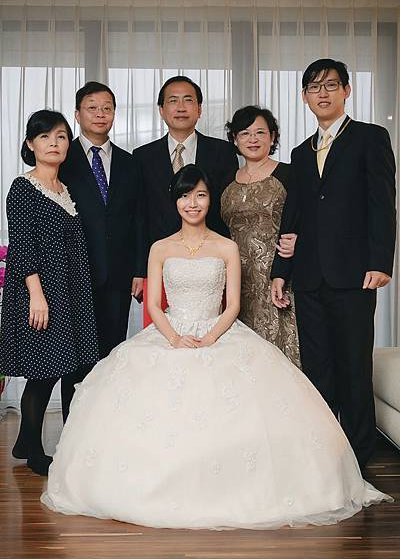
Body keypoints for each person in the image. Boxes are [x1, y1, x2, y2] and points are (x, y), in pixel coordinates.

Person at [42, 165, 391, 528]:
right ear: (175, 201)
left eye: (200, 195)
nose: (192, 203)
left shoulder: (226, 246)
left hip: (218, 330)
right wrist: (174, 338)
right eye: (184, 196)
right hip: (171, 332)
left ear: (210, 200)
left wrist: (211, 337)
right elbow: (155, 305)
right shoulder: (160, 248)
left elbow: (234, 305)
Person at [271, 59, 396, 470]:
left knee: (354, 366)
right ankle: (326, 452)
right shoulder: (300, 152)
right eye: (314, 87)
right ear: (304, 97)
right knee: (318, 369)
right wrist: (281, 272)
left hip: (354, 274)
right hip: (309, 276)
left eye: (330, 85)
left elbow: (383, 204)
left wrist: (380, 262)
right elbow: (294, 217)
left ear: (347, 91)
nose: (322, 93)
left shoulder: (370, 138)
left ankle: (360, 455)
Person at [0, 110, 98, 476]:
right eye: (44, 137)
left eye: (60, 136)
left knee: (61, 367)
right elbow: (23, 245)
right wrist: (37, 296)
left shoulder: (65, 189)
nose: (53, 143)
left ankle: (24, 441)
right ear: (30, 144)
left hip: (69, 290)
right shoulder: (23, 188)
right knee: (43, 371)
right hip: (40, 291)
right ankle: (33, 450)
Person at [59, 82, 147, 360]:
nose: (100, 114)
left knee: (112, 356)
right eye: (92, 108)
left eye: (107, 108)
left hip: (119, 275)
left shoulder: (130, 162)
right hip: (74, 275)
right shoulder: (62, 159)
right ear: (77, 115)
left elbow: (138, 218)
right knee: (76, 360)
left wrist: (140, 270)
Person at [221, 106, 300, 367]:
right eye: (245, 133)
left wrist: (295, 248)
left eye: (260, 132)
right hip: (236, 279)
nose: (252, 139)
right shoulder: (225, 179)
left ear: (273, 136)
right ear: (235, 139)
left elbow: (304, 221)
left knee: (280, 353)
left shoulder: (290, 174)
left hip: (280, 276)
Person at [133, 75, 238, 245]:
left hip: (211, 249)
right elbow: (139, 216)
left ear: (199, 109)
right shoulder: (142, 156)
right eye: (173, 101)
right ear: (161, 110)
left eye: (188, 100)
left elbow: (229, 209)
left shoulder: (223, 152)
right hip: (160, 251)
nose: (181, 108)